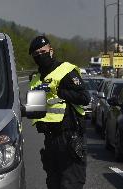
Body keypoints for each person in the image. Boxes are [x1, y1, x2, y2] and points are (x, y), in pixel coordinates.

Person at [28, 36, 90, 189]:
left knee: (70, 184)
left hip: (70, 137)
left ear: (51, 51)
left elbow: (84, 97)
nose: (40, 56)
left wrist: (60, 92)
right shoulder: (36, 80)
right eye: (36, 54)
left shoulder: (65, 70)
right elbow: (34, 111)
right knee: (53, 184)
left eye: (43, 52)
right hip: (50, 140)